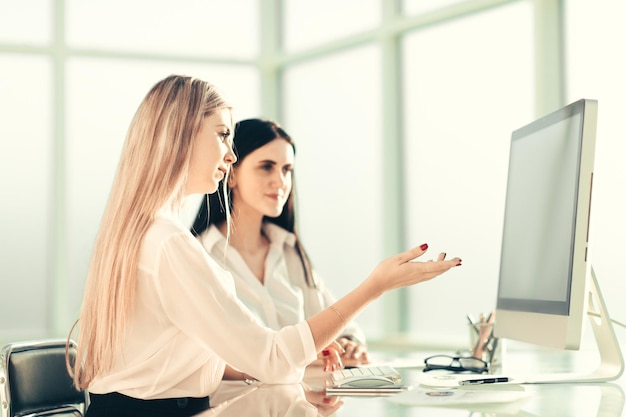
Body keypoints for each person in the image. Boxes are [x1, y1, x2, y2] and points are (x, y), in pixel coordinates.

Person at [69, 74, 462, 417]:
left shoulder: (145, 234)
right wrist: (376, 285)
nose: (230, 153)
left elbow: (176, 360)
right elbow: (271, 359)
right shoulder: (171, 244)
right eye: (223, 134)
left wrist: (302, 352)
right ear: (180, 134)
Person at [190, 118, 369, 367]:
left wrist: (349, 343)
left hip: (298, 399)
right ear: (231, 175)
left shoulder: (289, 250)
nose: (281, 181)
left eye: (286, 169)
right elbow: (200, 355)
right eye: (266, 167)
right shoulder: (199, 255)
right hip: (232, 401)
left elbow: (339, 320)